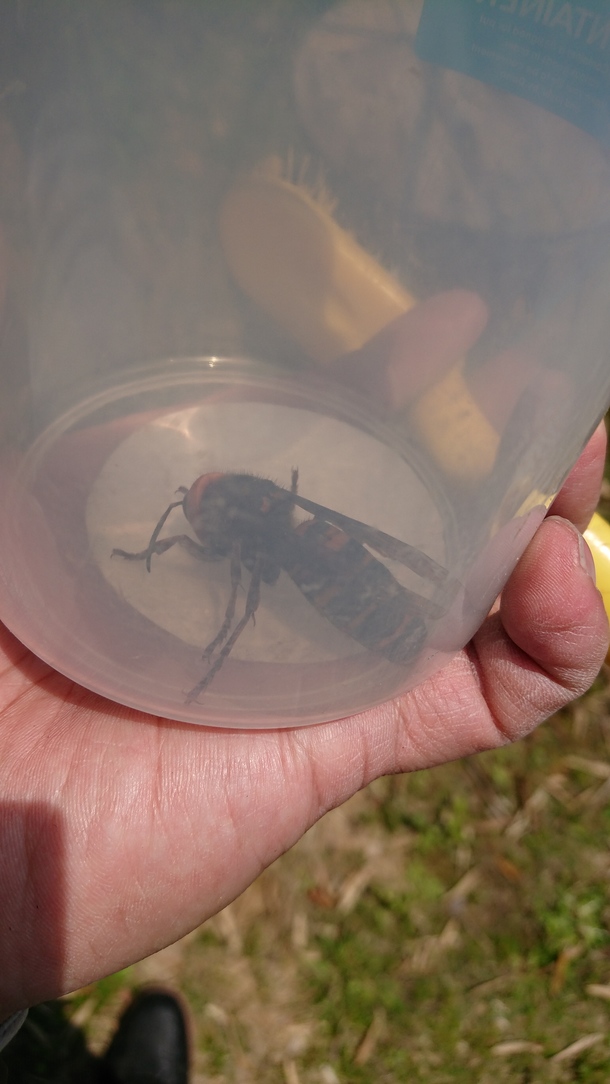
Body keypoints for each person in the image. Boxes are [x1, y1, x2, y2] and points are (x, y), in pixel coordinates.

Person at [0, 417, 607, 1039]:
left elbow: (240, 582)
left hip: (345, 588)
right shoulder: (278, 513)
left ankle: (384, 630)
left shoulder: (240, 535)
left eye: (199, 503)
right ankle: (400, 625)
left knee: (242, 566)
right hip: (337, 558)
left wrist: (216, 643)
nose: (194, 512)